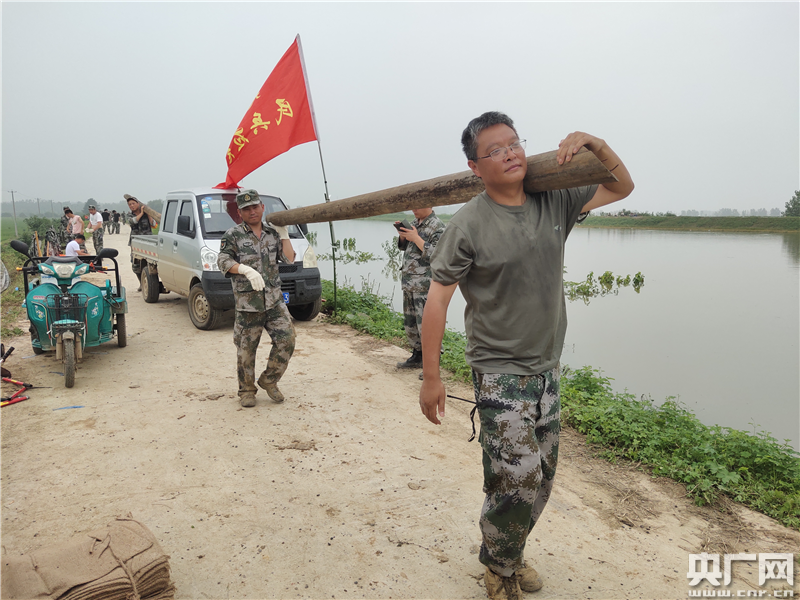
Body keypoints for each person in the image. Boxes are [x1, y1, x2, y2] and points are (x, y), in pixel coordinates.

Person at [418, 112, 634, 600]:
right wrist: (431, 377)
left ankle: (505, 553)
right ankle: (499, 570)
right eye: (495, 149)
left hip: (546, 369)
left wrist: (595, 144)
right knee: (515, 478)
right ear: (475, 166)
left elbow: (621, 186)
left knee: (543, 478)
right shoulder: (468, 223)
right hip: (499, 372)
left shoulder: (554, 201)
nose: (511, 153)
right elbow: (437, 300)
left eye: (514, 143)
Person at [217, 189, 296, 408]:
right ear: (240, 212)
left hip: (274, 300)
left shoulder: (272, 233)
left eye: (255, 207)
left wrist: (285, 234)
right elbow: (223, 260)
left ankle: (269, 379)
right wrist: (243, 269)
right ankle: (247, 390)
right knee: (246, 350)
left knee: (287, 339)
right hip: (248, 303)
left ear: (262, 207)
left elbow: (288, 258)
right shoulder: (233, 235)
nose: (252, 211)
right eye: (246, 209)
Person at [394, 207, 445, 377]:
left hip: (425, 284)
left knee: (428, 325)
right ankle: (417, 355)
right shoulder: (415, 223)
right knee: (411, 324)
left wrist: (416, 238)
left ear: (429, 205)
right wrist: (403, 236)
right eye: (412, 206)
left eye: (417, 206)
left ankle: (432, 365)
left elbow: (439, 254)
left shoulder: (438, 226)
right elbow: (405, 248)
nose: (414, 210)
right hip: (409, 281)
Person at [125, 194, 159, 289]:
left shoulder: (146, 214)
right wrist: (141, 213)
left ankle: (152, 284)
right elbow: (133, 222)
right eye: (129, 204)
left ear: (138, 204)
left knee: (151, 264)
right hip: (135, 242)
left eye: (133, 203)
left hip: (148, 241)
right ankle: (141, 283)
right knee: (135, 265)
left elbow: (154, 225)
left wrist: (148, 214)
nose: (131, 206)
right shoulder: (129, 215)